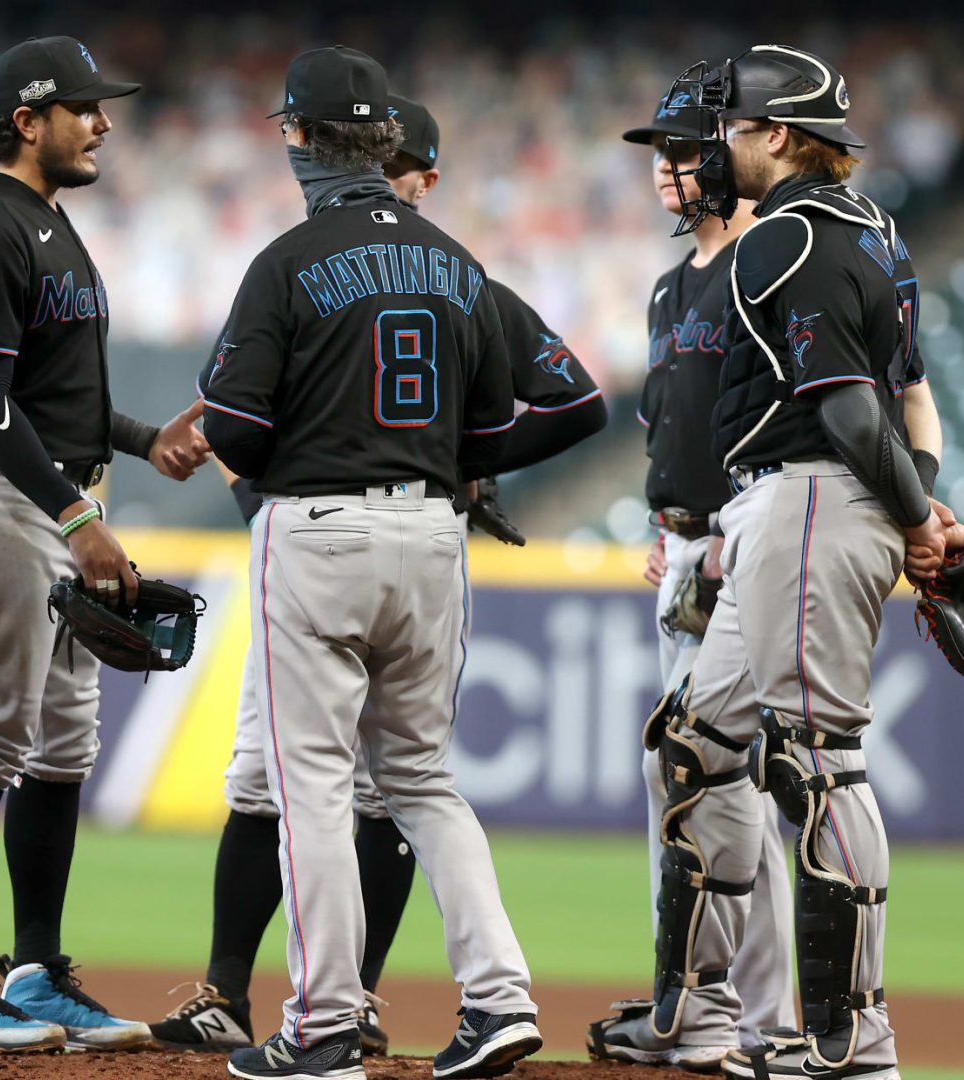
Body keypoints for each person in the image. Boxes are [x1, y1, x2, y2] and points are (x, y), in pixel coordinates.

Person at [149, 93, 603, 1060]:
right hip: (432, 530)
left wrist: (290, 454)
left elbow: (234, 427)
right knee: (422, 781)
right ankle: (501, 999)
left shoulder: (288, 260)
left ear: (300, 139)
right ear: (388, 148)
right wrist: (452, 466)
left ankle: (323, 1021)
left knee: (310, 786)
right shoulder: (458, 263)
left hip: (318, 527)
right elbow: (517, 417)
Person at [629, 47, 961, 1080]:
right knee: (695, 742)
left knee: (819, 761)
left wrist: (916, 521)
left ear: (776, 135)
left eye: (732, 129)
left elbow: (853, 409)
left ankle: (852, 1039)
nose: (717, 146)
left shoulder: (788, 236)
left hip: (813, 493)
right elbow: (908, 395)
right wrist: (917, 502)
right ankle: (700, 1012)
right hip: (800, 501)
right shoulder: (875, 230)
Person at [0, 35, 207, 1055]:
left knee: (65, 741)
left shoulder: (44, 219)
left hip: (54, 490)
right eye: (85, 107)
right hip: (3, 496)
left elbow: (54, 394)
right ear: (27, 120)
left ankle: (35, 971)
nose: (104, 123)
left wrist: (142, 440)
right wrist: (78, 520)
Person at [584, 83, 793, 1069]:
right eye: (658, 152)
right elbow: (666, 424)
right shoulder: (672, 287)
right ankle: (695, 996)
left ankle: (759, 1017)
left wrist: (734, 529)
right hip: (683, 551)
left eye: (683, 149)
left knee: (721, 777)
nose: (666, 167)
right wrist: (664, 523)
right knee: (689, 778)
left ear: (728, 155)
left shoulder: (765, 263)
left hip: (741, 547)